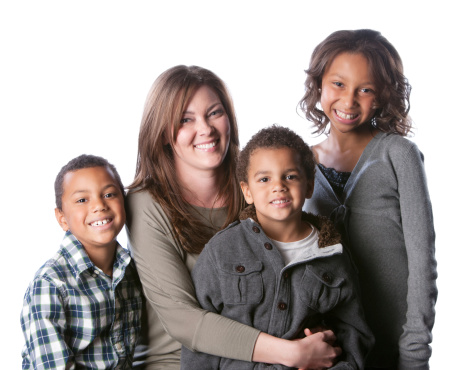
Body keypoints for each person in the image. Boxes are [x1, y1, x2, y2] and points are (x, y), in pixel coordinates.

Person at [125, 65, 341, 370]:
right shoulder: (145, 205)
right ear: (162, 133)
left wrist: (311, 333)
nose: (206, 129)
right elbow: (182, 319)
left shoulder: (260, 185)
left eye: (214, 113)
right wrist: (291, 353)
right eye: (186, 120)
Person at [180, 125, 374, 369]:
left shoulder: (333, 255)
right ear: (247, 191)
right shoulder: (223, 251)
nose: (278, 186)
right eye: (264, 179)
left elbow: (354, 334)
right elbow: (200, 340)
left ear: (310, 186)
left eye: (290, 176)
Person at [299, 29, 437, 369]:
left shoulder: (399, 156)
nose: (348, 102)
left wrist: (415, 352)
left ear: (382, 95)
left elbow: (423, 264)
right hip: (330, 352)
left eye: (365, 89)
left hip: (393, 349)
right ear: (318, 84)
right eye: (338, 84)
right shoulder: (296, 162)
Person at [20, 154, 143, 369]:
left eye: (109, 194)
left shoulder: (132, 270)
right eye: (82, 200)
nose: (99, 205)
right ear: (62, 219)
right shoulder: (50, 284)